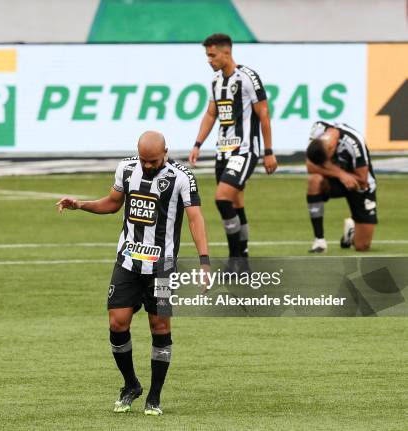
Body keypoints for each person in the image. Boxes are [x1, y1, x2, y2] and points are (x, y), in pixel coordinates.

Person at [56, 131, 210, 416]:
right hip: (127, 261)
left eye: (153, 160)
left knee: (160, 328)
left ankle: (154, 396)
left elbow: (195, 218)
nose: (148, 165)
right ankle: (130, 385)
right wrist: (80, 205)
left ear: (166, 152)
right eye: (144, 160)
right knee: (117, 324)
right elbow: (113, 203)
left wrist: (204, 262)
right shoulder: (127, 169)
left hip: (162, 267)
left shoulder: (182, 177)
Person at [188, 33, 277, 267]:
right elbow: (211, 114)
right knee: (236, 203)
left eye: (212, 55)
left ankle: (234, 259)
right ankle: (243, 260)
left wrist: (268, 151)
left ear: (227, 52)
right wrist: (197, 144)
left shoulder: (248, 77)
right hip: (223, 152)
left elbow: (264, 114)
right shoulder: (216, 81)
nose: (209, 60)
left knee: (222, 199)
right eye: (207, 55)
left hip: (245, 150)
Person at [305, 121, 377, 252]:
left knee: (362, 246)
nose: (324, 163)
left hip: (359, 184)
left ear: (331, 149)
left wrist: (342, 175)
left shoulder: (354, 142)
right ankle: (319, 241)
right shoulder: (318, 130)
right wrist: (341, 174)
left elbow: (362, 179)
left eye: (325, 161)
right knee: (314, 180)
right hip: (335, 179)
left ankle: (351, 232)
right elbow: (310, 166)